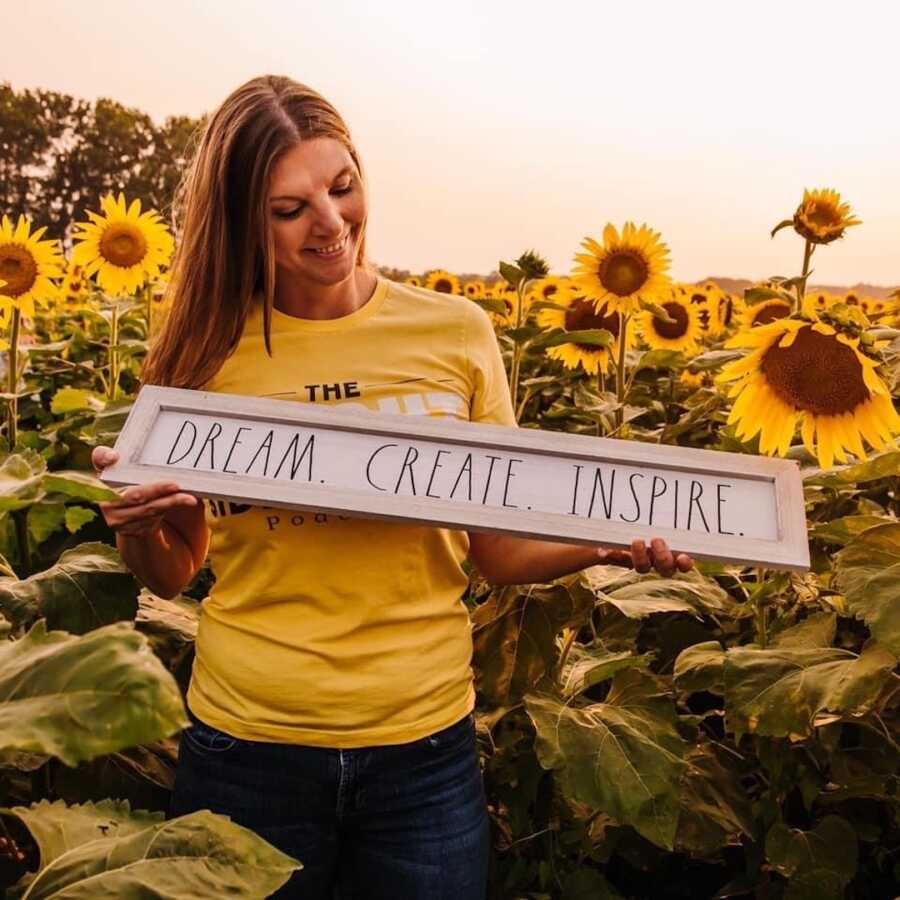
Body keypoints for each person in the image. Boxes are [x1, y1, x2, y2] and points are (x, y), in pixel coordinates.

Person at [91, 75, 693, 900]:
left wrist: (612, 539)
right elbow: (176, 572)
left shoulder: (455, 333)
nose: (332, 223)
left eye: (342, 187)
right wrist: (136, 528)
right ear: (240, 220)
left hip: (424, 751)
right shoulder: (203, 357)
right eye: (289, 208)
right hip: (249, 750)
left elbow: (499, 549)